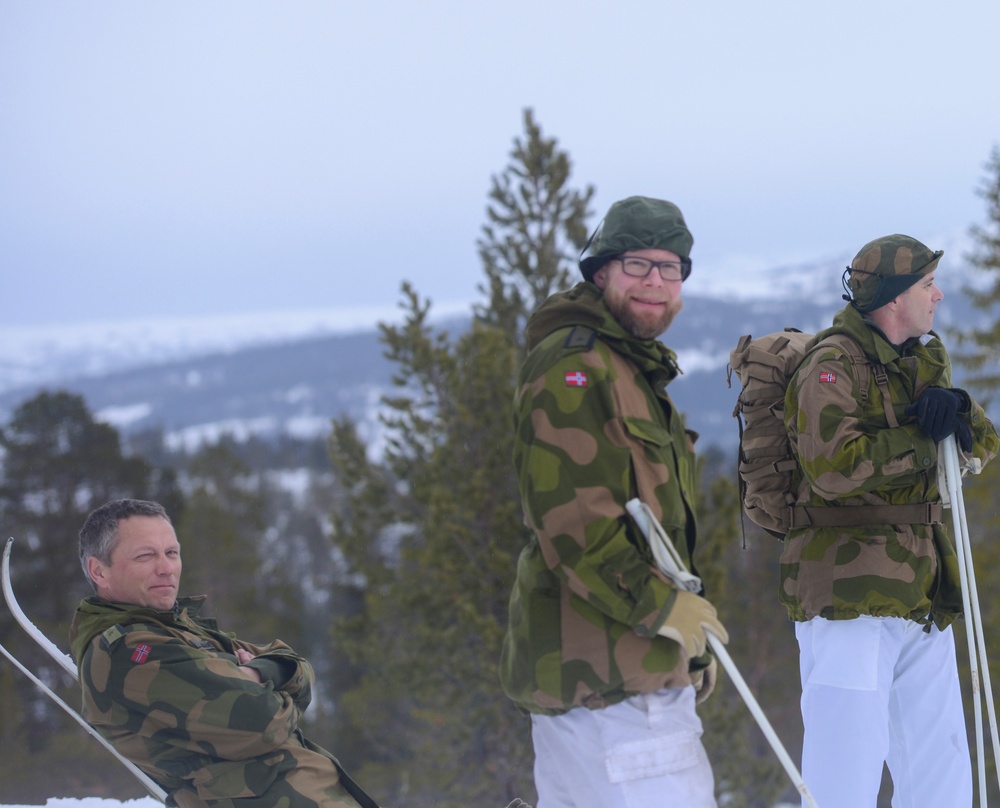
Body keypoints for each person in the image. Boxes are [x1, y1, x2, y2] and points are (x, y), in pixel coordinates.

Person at [499, 196, 727, 807]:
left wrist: (682, 642)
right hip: (609, 686)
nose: (656, 281)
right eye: (637, 264)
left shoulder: (628, 368)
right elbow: (576, 526)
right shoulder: (575, 368)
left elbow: (650, 528)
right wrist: (664, 615)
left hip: (625, 668)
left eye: (671, 268)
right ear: (600, 272)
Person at [782, 234, 999, 807]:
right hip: (847, 596)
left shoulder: (925, 357)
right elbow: (832, 468)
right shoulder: (829, 365)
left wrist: (960, 413)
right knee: (843, 774)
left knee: (941, 773)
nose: (940, 295)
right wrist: (924, 441)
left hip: (922, 593)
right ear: (894, 297)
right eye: (927, 284)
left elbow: (980, 449)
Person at [69, 498, 378, 808]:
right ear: (100, 571)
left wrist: (258, 673)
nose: (165, 568)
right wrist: (272, 690)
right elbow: (264, 721)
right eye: (146, 555)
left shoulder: (175, 627)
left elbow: (294, 664)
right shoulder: (130, 652)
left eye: (171, 553)